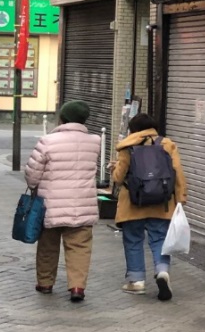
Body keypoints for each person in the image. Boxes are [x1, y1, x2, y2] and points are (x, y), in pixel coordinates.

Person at [24, 101, 102, 302]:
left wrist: (33, 186)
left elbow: (33, 174)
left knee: (47, 246)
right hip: (83, 205)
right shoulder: (95, 142)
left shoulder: (48, 141)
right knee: (80, 247)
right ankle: (77, 287)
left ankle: (45, 283)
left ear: (63, 117)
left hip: (50, 206)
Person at [112, 113, 188, 301]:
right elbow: (178, 173)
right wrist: (180, 199)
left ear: (133, 129)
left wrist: (114, 169)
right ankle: (162, 271)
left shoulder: (127, 146)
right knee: (160, 239)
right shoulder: (167, 144)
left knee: (133, 240)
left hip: (133, 202)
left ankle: (136, 281)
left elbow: (118, 178)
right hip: (161, 202)